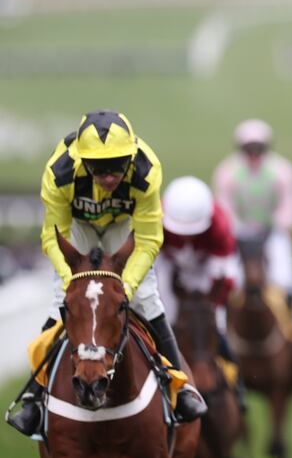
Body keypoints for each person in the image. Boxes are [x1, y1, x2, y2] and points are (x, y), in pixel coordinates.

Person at [8, 110, 207, 437]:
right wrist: (72, 282)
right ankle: (34, 395)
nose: (108, 175)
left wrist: (125, 288)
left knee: (146, 298)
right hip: (79, 228)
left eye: (116, 165)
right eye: (98, 167)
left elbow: (148, 240)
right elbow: (51, 237)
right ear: (82, 162)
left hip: (124, 229)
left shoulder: (147, 171)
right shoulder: (58, 173)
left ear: (130, 157)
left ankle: (180, 389)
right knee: (63, 301)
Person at [156, 176, 247, 410]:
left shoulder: (220, 224)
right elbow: (151, 261)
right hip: (169, 263)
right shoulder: (156, 216)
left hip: (206, 266)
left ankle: (235, 382)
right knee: (161, 314)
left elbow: (226, 272)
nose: (186, 234)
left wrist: (212, 303)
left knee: (215, 323)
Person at [212, 119, 292, 330]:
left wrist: (276, 224)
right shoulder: (227, 171)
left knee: (284, 273)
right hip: (238, 234)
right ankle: (220, 324)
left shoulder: (282, 170)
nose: (254, 154)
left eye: (259, 148)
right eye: (248, 149)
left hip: (272, 232)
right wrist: (237, 228)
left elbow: (289, 204)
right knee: (229, 275)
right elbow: (223, 206)